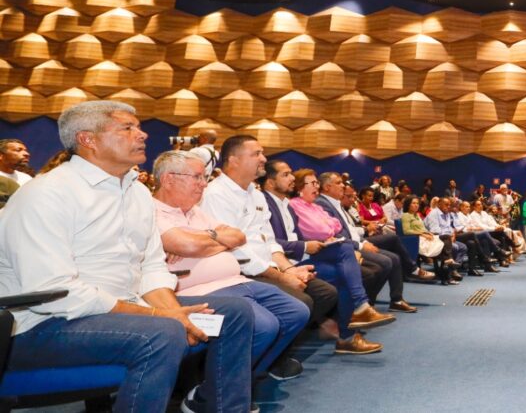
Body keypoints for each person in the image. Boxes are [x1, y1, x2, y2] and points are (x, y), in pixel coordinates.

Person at [0, 101, 255, 413]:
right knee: (163, 333)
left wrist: (171, 310)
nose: (142, 134)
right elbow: (57, 293)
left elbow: (151, 266)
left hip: (120, 311)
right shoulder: (47, 194)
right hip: (41, 326)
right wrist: (161, 316)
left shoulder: (136, 192)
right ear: (88, 139)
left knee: (234, 313)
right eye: (127, 127)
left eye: (138, 126)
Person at [151, 151, 309, 380]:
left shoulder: (195, 211)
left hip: (237, 280)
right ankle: (215, 389)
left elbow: (238, 237)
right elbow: (188, 245)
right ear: (168, 179)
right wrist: (216, 240)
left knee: (296, 312)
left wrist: (203, 239)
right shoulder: (151, 211)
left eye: (204, 177)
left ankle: (242, 378)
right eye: (197, 177)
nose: (204, 184)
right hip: (199, 290)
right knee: (265, 326)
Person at [260, 160, 384, 355]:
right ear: (269, 181)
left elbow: (312, 233)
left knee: (345, 257)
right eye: (286, 174)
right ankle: (354, 322)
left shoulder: (286, 205)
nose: (292, 178)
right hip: (284, 262)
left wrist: (311, 244)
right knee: (346, 260)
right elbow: (270, 243)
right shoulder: (265, 203)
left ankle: (354, 322)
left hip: (299, 256)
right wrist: (305, 245)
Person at [310, 171, 419, 313]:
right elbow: (335, 234)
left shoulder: (335, 203)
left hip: (355, 241)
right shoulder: (322, 204)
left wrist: (363, 240)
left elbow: (349, 230)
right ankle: (365, 305)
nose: (342, 185)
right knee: (386, 262)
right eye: (338, 183)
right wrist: (361, 244)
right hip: (344, 247)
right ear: (327, 187)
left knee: (394, 256)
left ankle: (388, 301)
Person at [400, 195, 459, 285]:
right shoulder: (406, 215)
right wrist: (423, 234)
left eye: (417, 203)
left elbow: (423, 228)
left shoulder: (417, 215)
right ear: (408, 205)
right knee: (446, 243)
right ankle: (447, 273)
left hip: (425, 237)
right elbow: (406, 231)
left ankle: (447, 266)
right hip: (417, 240)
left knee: (446, 239)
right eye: (413, 203)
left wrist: (428, 233)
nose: (416, 205)